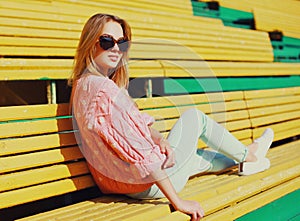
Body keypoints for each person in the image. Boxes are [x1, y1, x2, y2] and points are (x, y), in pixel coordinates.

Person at [69, 13, 274, 221]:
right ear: (90, 43)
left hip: (119, 183)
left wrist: (160, 139)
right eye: (106, 41)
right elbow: (144, 157)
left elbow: (132, 129)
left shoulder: (82, 84)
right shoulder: (105, 91)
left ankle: (247, 156)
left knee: (196, 159)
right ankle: (249, 156)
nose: (115, 49)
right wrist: (178, 202)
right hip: (145, 185)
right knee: (195, 118)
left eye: (121, 43)